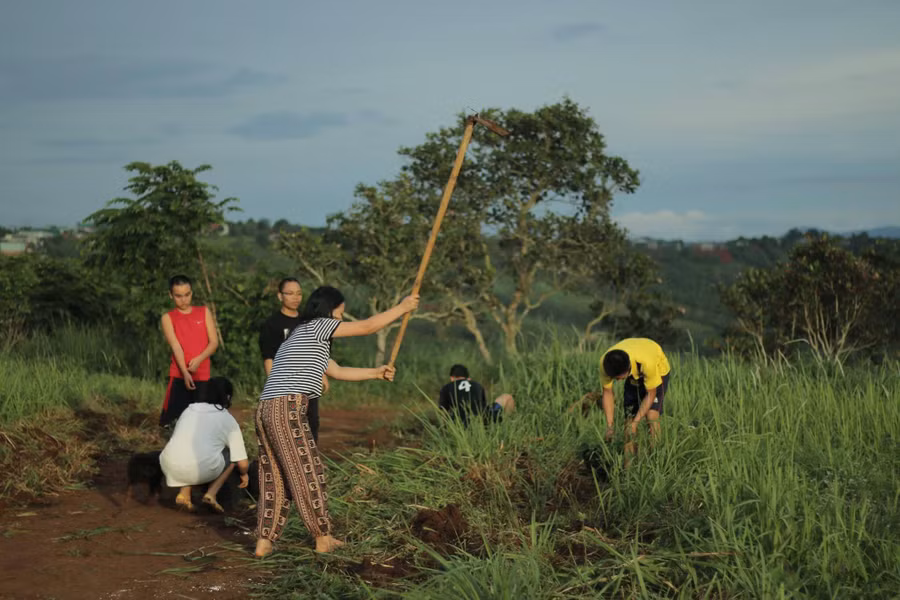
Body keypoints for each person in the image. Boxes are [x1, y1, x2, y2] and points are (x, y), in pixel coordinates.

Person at [253, 286, 419, 557]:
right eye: (340, 313)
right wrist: (402, 308)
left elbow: (337, 370)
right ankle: (323, 537)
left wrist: (375, 373)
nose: (340, 320)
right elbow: (367, 327)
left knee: (275, 477)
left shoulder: (301, 335)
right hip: (286, 407)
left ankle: (264, 541)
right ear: (330, 311)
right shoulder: (318, 327)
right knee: (308, 472)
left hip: (265, 409)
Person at [159, 376, 250, 512]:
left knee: (190, 446)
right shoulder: (227, 419)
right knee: (231, 454)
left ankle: (184, 494)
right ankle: (211, 494)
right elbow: (242, 463)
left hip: (168, 465)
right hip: (200, 470)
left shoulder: (189, 409)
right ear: (228, 397)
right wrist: (244, 474)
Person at [259, 278, 326, 442]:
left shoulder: (308, 322)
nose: (295, 297)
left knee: (311, 424)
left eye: (299, 294)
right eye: (290, 293)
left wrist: (322, 376)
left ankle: (310, 464)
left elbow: (315, 352)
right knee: (289, 428)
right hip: (285, 386)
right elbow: (269, 358)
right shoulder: (272, 324)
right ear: (280, 296)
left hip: (308, 384)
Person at [597, 337, 671, 464]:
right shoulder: (605, 363)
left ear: (628, 368)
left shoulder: (647, 362)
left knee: (651, 416)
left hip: (657, 369)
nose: (618, 381)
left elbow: (651, 393)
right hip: (634, 369)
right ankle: (629, 468)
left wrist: (636, 423)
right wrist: (610, 426)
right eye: (614, 378)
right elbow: (607, 392)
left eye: (619, 378)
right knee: (628, 422)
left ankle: (656, 461)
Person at [159, 274, 219, 427]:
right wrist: (185, 373)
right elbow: (175, 346)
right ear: (171, 295)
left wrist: (199, 359)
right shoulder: (168, 317)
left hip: (202, 374)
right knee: (173, 421)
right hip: (179, 375)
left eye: (187, 295)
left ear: (191, 293)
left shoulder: (203, 312)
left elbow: (213, 343)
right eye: (178, 296)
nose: (183, 299)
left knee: (200, 422)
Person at [438, 364, 515, 425]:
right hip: (483, 419)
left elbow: (443, 412)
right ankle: (506, 424)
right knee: (507, 397)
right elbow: (483, 405)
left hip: (460, 423)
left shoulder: (446, 387)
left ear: (452, 378)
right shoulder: (477, 385)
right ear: (468, 378)